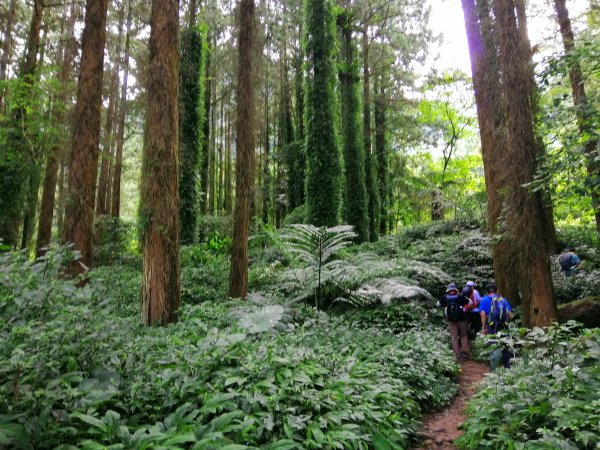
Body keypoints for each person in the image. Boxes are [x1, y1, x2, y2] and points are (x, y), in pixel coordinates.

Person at [479, 282, 514, 368]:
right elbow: (510, 314)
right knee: (504, 343)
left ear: (487, 292)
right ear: (497, 290)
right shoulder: (503, 300)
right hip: (503, 325)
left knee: (492, 344)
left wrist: (483, 327)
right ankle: (507, 365)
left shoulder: (483, 300)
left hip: (491, 325)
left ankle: (494, 365)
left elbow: (483, 314)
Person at [436, 283, 471, 360]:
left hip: (451, 320)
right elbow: (470, 303)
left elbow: (437, 304)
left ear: (448, 290)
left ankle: (457, 354)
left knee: (454, 337)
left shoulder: (445, 297)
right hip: (461, 319)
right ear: (455, 290)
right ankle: (464, 352)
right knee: (463, 335)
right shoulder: (460, 296)